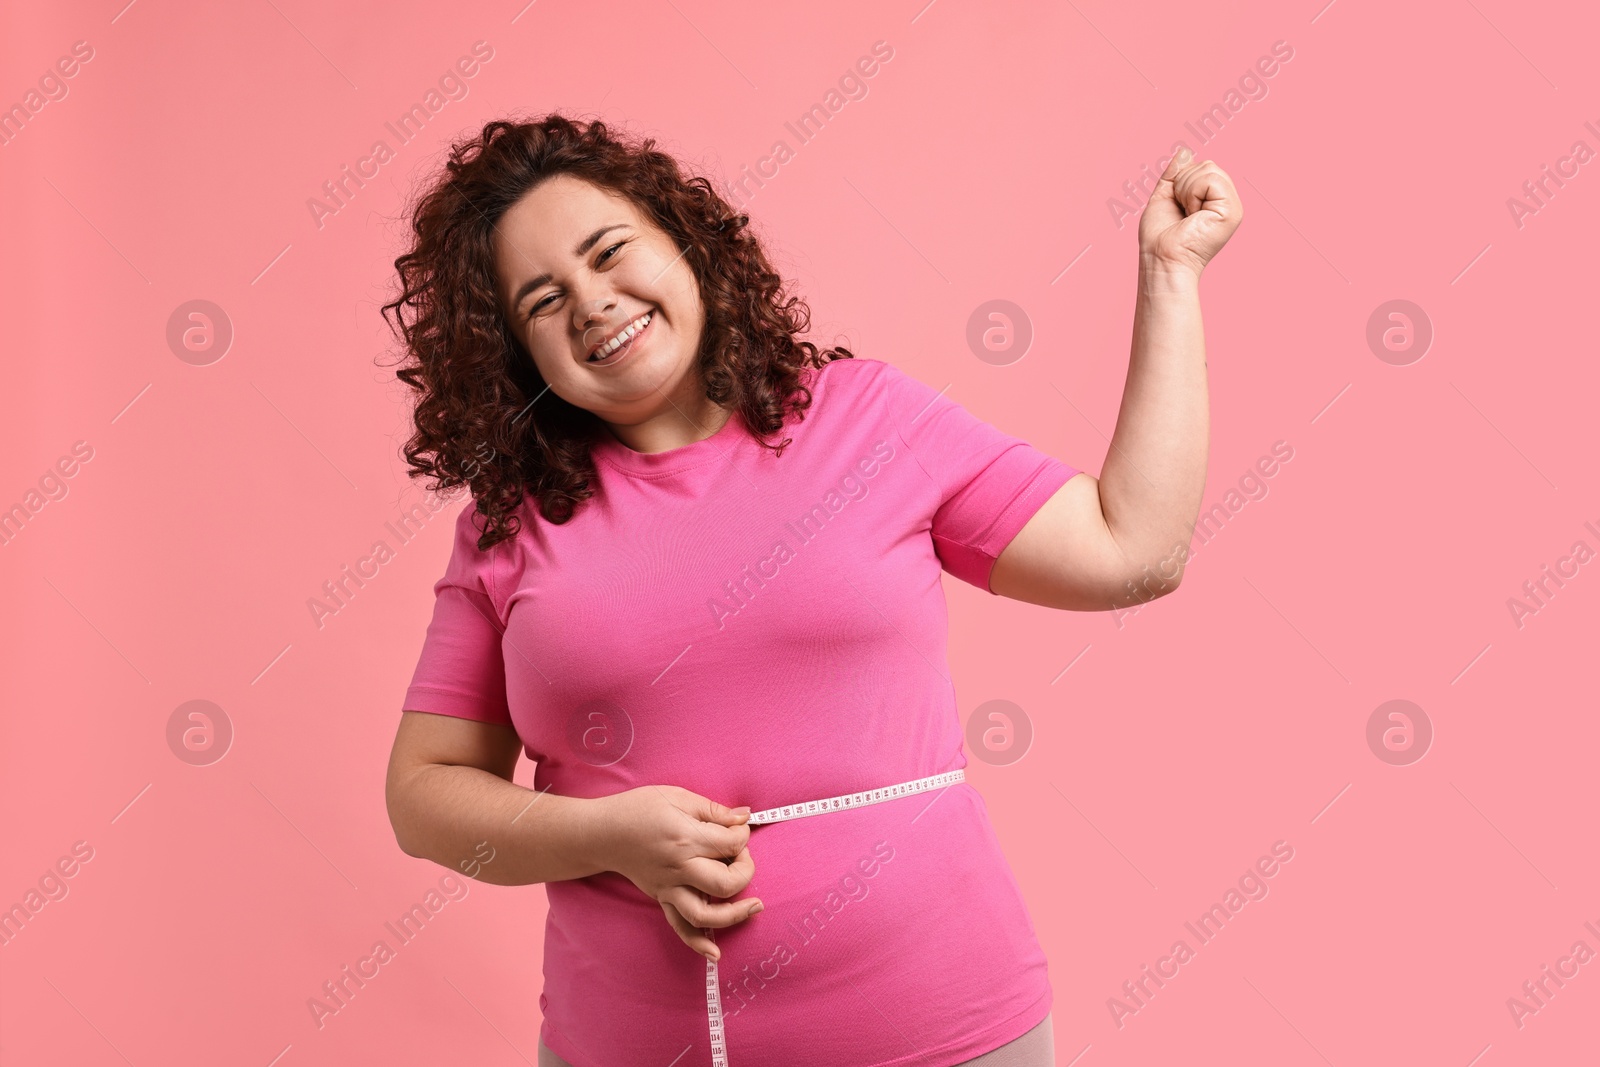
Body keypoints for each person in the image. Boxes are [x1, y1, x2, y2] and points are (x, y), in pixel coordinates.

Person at [382, 114, 1240, 1067]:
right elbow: (423, 795)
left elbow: (1134, 550)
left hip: (950, 1036)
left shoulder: (870, 419)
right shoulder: (509, 526)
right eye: (544, 299)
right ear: (516, 354)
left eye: (611, 250)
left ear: (686, 241)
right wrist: (607, 833)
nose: (592, 302)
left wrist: (1171, 275)